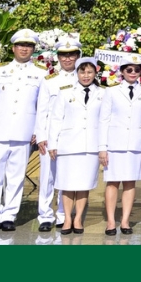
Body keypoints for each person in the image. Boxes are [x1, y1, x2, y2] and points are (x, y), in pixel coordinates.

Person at [0, 28, 44, 233]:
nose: (24, 49)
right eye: (21, 45)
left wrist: (38, 131)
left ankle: (9, 215)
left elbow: (42, 107)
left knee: (16, 177)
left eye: (29, 46)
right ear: (13, 48)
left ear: (33, 49)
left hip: (24, 132)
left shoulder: (40, 73)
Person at [99, 53, 141, 235]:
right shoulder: (111, 91)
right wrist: (102, 148)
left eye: (137, 70)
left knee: (130, 183)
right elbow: (103, 120)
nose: (133, 72)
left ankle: (125, 221)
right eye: (129, 69)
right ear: (122, 71)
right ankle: (111, 222)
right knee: (112, 183)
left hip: (136, 144)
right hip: (114, 144)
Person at [47, 57, 103, 234]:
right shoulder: (65, 92)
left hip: (91, 145)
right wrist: (52, 143)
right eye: (82, 71)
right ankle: (67, 219)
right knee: (67, 184)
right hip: (68, 144)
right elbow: (56, 119)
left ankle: (78, 218)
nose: (86, 76)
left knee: (84, 184)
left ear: (95, 73)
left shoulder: (103, 93)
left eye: (89, 72)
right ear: (77, 73)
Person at [34, 35, 81, 231]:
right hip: (51, 136)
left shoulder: (85, 78)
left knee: (67, 178)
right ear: (58, 57)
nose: (68, 59)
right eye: (64, 55)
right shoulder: (49, 80)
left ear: (79, 56)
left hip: (73, 137)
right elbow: (41, 110)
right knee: (47, 177)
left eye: (72, 55)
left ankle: (63, 214)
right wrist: (41, 136)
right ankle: (45, 215)